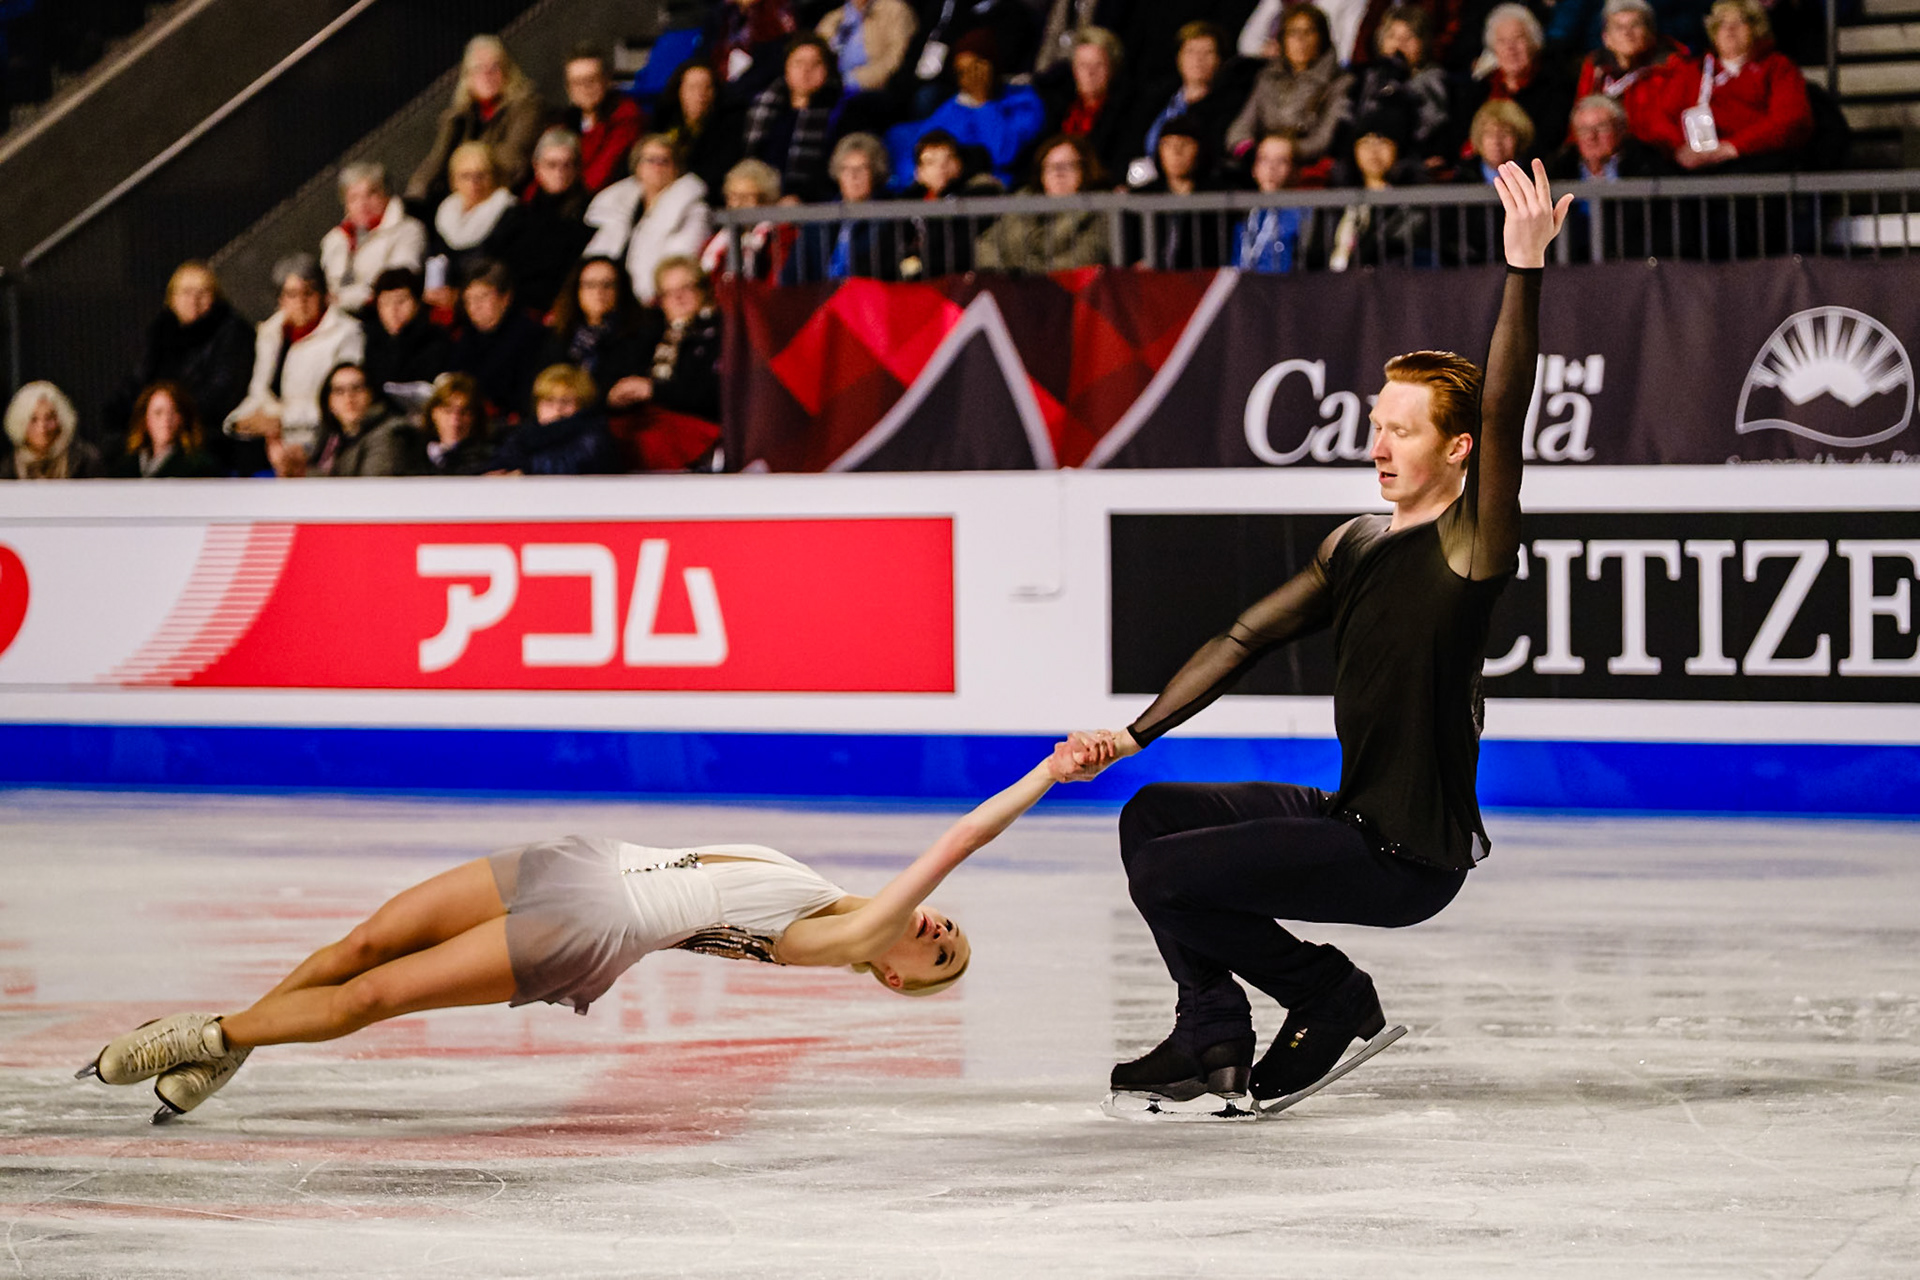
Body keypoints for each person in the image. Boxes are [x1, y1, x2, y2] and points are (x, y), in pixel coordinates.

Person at [1056, 160, 1570, 1115]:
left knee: (1170, 878)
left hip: (1409, 857)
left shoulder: (1471, 545)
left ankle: (1326, 994)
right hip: (1348, 818)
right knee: (1153, 819)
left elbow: (1503, 410)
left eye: (1403, 432)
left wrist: (1523, 268)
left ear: (1455, 450)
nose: (1378, 446)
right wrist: (1134, 734)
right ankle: (1209, 1025)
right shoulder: (1356, 542)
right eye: (1376, 426)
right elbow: (1243, 636)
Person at [77, 750, 1075, 1122]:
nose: (939, 929)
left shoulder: (849, 933)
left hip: (595, 920)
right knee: (364, 941)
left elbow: (958, 835)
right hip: (589, 859)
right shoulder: (831, 906)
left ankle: (207, 1036)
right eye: (952, 935)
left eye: (939, 954)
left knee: (373, 997)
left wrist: (1047, 773)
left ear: (894, 978)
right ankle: (243, 1037)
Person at [225, 255, 365, 475]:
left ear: (323, 296)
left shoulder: (346, 333)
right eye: (291, 294)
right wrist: (238, 422)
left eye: (308, 292)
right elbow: (258, 393)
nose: (300, 302)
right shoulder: (271, 332)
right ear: (281, 299)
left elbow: (343, 402)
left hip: (318, 440)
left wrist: (281, 420)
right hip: (270, 439)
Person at [111, 261, 256, 465]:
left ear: (215, 296)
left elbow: (223, 392)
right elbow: (137, 381)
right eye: (186, 292)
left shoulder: (233, 333)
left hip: (204, 431)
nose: (193, 300)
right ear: (172, 298)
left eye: (202, 292)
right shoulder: (160, 333)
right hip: (158, 428)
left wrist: (175, 415)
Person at [1644, 0, 1811, 173]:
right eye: (1722, 23)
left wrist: (1732, 147)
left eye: (1739, 22)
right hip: (1694, 165)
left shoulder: (1777, 67)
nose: (1729, 30)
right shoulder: (1693, 71)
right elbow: (1661, 118)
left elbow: (1791, 120)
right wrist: (1679, 149)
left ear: (1757, 29)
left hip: (1752, 162)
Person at [884, 28, 1047, 192]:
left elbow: (1003, 155)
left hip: (997, 191)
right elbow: (922, 154)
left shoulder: (1023, 101)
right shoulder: (952, 108)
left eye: (977, 67)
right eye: (963, 70)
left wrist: (983, 103)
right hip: (950, 191)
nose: (971, 76)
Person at [407, 35, 546, 204]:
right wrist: (413, 197)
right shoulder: (457, 117)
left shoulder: (526, 106)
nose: (487, 75)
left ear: (508, 71)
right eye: (479, 68)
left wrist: (468, 179)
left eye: (495, 67)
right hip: (456, 199)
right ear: (467, 77)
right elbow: (434, 163)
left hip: (500, 195)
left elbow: (513, 160)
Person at [617, 256, 724, 473]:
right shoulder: (651, 332)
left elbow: (712, 392)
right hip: (645, 420)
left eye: (686, 288)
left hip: (694, 428)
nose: (678, 298)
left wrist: (653, 390)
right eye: (669, 292)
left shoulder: (720, 333)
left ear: (703, 291)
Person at [583, 134, 713, 304]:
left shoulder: (692, 210)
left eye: (664, 161)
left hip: (653, 302)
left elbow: (679, 262)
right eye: (650, 160)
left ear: (677, 168)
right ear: (637, 166)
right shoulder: (616, 206)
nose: (657, 167)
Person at [1225, 5, 1353, 175]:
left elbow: (1327, 136)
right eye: (1293, 32)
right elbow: (1241, 127)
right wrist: (1253, 152)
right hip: (1264, 163)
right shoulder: (1267, 77)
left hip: (1309, 168)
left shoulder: (1340, 82)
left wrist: (1286, 152)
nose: (1301, 40)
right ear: (1282, 39)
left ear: (1322, 37)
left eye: (1309, 32)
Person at [483, 128, 594, 318]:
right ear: (537, 167)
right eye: (552, 164)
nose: (560, 172)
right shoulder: (517, 214)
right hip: (507, 309)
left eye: (567, 164)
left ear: (577, 168)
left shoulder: (589, 214)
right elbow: (491, 259)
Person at [1546, 94, 1669, 258]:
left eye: (1601, 127)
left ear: (1621, 129)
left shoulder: (1646, 164)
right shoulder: (1559, 168)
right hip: (1573, 265)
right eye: (1583, 130)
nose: (1591, 137)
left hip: (1632, 262)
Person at [974, 134, 1110, 275]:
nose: (1058, 174)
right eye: (1050, 167)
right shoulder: (1021, 204)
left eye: (1068, 166)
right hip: (1013, 290)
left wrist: (1026, 273)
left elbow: (1086, 258)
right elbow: (985, 245)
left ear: (1085, 170)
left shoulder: (1100, 207)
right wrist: (1005, 274)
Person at [1325, 101, 1432, 270]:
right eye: (1365, 142)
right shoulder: (1337, 200)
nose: (1373, 152)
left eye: (1382, 142)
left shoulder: (1413, 202)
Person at [1463, 4, 1575, 163]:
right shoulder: (1478, 89)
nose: (1510, 48)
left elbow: (1551, 141)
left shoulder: (1557, 89)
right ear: (1493, 49)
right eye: (1502, 41)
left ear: (1535, 43)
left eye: (1518, 39)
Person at [1136, 21, 1244, 184]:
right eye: (1191, 51)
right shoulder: (1156, 99)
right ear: (1178, 57)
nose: (1198, 60)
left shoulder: (1232, 105)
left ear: (1220, 60)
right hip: (1150, 185)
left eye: (1207, 52)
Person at [1574, 0, 1690, 148]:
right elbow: (1581, 116)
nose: (1627, 33)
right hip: (1607, 153)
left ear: (1650, 33)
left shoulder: (1672, 66)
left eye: (1635, 25)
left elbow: (1669, 126)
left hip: (1658, 153)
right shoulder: (1596, 67)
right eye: (1618, 27)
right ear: (1606, 37)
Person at [446, 259, 550, 423]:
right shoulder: (465, 337)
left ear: (506, 297)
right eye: (469, 300)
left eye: (483, 297)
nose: (475, 307)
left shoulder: (531, 336)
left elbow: (525, 396)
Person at [1350, 7, 1455, 168]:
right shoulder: (1365, 79)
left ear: (1423, 42)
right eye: (1392, 36)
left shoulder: (1435, 81)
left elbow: (1431, 129)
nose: (1399, 44)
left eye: (1409, 37)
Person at [743, 35, 843, 202]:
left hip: (814, 204)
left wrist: (801, 197)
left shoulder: (840, 112)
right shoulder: (766, 108)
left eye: (815, 64)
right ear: (786, 69)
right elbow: (753, 157)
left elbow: (831, 171)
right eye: (798, 63)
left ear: (827, 70)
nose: (806, 71)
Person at [320, 162, 427, 316]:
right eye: (354, 198)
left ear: (386, 194)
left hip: (380, 316)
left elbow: (395, 285)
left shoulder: (409, 230)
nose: (363, 204)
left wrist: (340, 300)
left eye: (371, 194)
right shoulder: (335, 238)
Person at [784, 135, 895, 282]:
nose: (853, 176)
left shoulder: (888, 221)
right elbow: (792, 275)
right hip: (819, 299)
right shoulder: (818, 221)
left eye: (861, 168)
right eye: (846, 169)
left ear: (874, 172)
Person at [893, 130, 997, 280]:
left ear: (959, 164)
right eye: (931, 162)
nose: (941, 168)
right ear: (918, 172)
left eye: (948, 160)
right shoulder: (905, 203)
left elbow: (960, 249)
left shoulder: (976, 196)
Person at [1040, 26, 1136, 187]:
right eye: (1083, 65)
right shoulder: (1058, 108)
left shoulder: (1128, 110)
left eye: (1098, 65)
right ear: (1074, 70)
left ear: (1112, 69)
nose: (1090, 73)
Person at [487, 364, 619, 475]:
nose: (557, 409)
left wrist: (524, 471)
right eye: (549, 401)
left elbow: (570, 466)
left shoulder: (593, 436)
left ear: (583, 405)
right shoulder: (524, 435)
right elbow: (499, 464)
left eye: (566, 402)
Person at [302, 362, 419, 478]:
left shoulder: (391, 434)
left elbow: (371, 488)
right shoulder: (329, 436)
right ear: (328, 401)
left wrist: (301, 473)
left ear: (371, 394)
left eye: (357, 388)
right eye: (339, 391)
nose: (348, 398)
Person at [430, 143, 517, 295]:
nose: (473, 183)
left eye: (481, 175)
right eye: (465, 176)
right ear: (454, 181)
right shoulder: (446, 212)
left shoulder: (509, 213)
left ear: (495, 176)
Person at [359, 268, 453, 406]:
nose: (393, 310)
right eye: (385, 303)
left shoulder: (436, 339)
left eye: (401, 301)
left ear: (417, 304)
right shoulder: (371, 340)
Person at [559, 45, 645, 194]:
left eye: (592, 79)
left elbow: (597, 178)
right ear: (568, 89)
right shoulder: (565, 121)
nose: (585, 88)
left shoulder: (626, 116)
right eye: (577, 82)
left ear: (607, 80)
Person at [654, 59, 741, 199]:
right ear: (679, 91)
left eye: (707, 87)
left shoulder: (729, 128)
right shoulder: (662, 123)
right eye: (693, 87)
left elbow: (715, 176)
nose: (700, 94)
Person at [702, 158, 795, 282]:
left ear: (766, 200)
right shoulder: (715, 242)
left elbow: (777, 281)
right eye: (732, 196)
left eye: (746, 198)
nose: (737, 204)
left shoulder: (780, 238)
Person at [1234, 133, 1313, 272]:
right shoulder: (1241, 211)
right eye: (1264, 159)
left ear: (1295, 171)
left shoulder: (1304, 213)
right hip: (1242, 289)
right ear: (1254, 169)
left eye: (1281, 161)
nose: (1271, 167)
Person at [114, 382, 219, 478]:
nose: (166, 420)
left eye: (173, 412)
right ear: (145, 419)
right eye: (158, 413)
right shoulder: (126, 466)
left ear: (182, 418)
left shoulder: (198, 466)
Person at [4, 382, 101, 481]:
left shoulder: (85, 461)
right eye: (33, 420)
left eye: (49, 418)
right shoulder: (9, 467)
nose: (42, 427)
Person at [419, 373, 495, 476]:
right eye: (448, 411)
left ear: (475, 417)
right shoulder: (411, 455)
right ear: (434, 413)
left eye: (464, 413)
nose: (455, 421)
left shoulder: (490, 459)